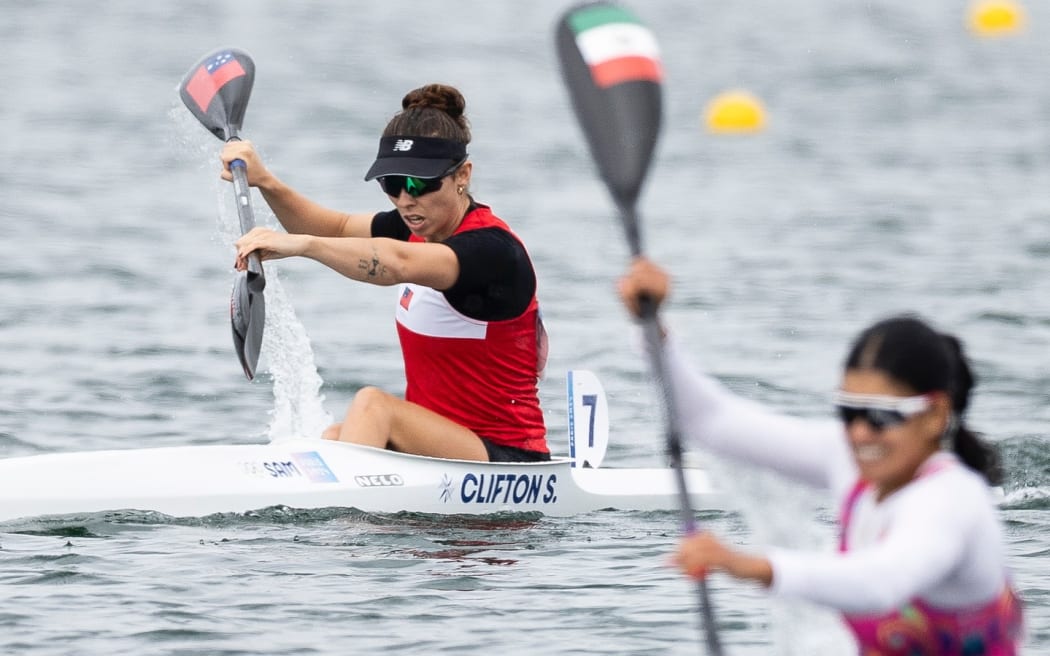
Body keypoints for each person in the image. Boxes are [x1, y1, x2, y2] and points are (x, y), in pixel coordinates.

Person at [617, 257, 1023, 655]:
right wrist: (653, 330)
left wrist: (752, 566)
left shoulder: (952, 500)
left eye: (882, 416)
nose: (860, 432)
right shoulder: (845, 457)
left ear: (934, 414)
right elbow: (711, 419)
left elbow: (882, 583)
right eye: (849, 411)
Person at [223, 83, 549, 462]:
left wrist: (305, 247)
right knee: (335, 434)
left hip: (509, 460)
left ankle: (342, 516)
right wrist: (267, 181)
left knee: (372, 406)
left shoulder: (493, 251)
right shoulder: (413, 225)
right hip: (439, 454)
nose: (406, 200)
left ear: (463, 175)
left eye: (421, 183)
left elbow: (399, 263)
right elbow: (338, 226)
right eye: (393, 185)